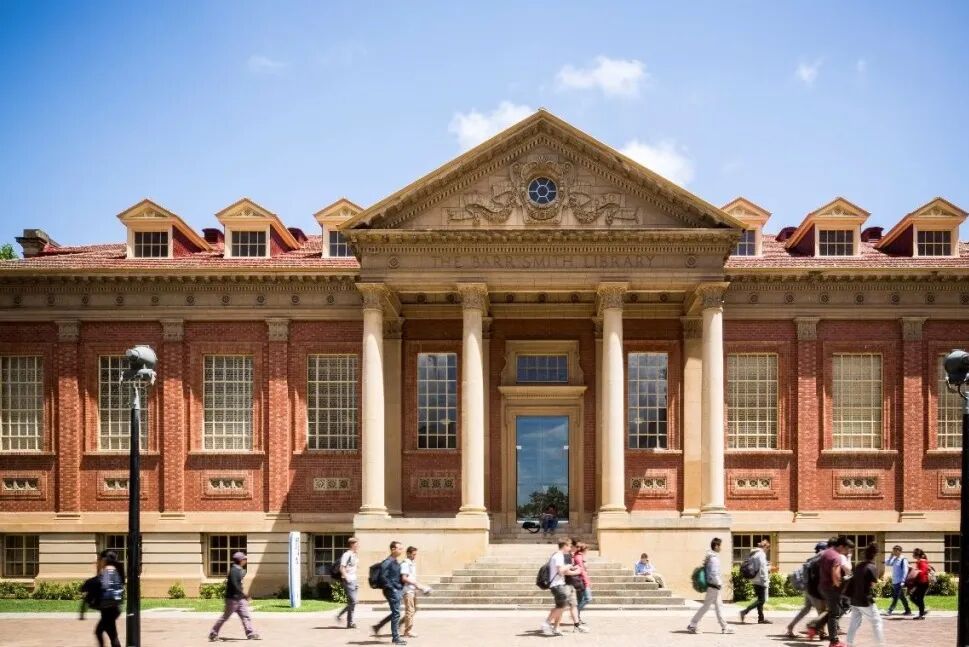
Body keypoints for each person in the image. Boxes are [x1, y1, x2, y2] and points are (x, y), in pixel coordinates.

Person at [810, 535, 854, 647]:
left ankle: (814, 627)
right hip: (831, 588)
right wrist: (841, 584)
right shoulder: (836, 557)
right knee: (834, 614)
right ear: (841, 546)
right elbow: (836, 575)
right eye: (847, 549)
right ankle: (834, 642)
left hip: (823, 586)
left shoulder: (826, 553)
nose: (847, 552)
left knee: (832, 612)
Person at [209, 551, 260, 642]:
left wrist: (242, 596)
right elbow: (235, 584)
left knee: (245, 616)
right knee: (225, 617)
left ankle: (250, 634)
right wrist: (245, 595)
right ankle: (213, 633)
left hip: (239, 599)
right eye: (244, 559)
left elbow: (238, 584)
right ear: (240, 560)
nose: (245, 561)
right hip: (232, 599)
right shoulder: (234, 571)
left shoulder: (238, 570)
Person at [540, 538, 587, 636]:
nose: (570, 548)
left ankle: (555, 628)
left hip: (560, 584)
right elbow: (561, 571)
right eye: (569, 546)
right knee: (561, 607)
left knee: (561, 606)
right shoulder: (559, 556)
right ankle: (546, 623)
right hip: (557, 585)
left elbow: (561, 570)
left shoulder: (559, 555)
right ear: (565, 546)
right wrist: (570, 567)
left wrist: (572, 569)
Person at [687, 537, 733, 635]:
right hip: (714, 586)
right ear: (716, 546)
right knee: (707, 607)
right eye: (720, 545)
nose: (721, 548)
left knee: (717, 607)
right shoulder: (714, 559)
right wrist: (719, 583)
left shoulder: (711, 557)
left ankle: (724, 627)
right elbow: (713, 573)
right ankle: (693, 624)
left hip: (713, 586)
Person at [786, 541, 830, 639]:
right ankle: (821, 633)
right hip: (814, 589)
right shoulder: (821, 559)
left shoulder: (812, 559)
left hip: (808, 587)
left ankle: (791, 626)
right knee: (821, 611)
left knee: (806, 608)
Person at [846, 543, 885, 647]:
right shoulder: (872, 567)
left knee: (854, 623)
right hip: (865, 600)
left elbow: (853, 581)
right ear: (875, 555)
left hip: (854, 599)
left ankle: (849, 644)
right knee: (877, 622)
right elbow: (873, 584)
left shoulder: (858, 566)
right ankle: (880, 645)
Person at [372, 541, 407, 645]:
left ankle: (378, 626)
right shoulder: (388, 562)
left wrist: (400, 588)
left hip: (396, 590)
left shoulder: (395, 561)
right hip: (391, 591)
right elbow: (383, 577)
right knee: (396, 613)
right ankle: (396, 638)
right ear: (393, 549)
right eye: (399, 548)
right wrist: (393, 589)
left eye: (401, 548)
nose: (401, 550)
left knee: (395, 613)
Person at [94, 549, 125, 647]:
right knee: (112, 635)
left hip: (108, 608)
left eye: (100, 559)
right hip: (114, 608)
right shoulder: (115, 569)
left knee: (100, 632)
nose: (98, 561)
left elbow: (104, 586)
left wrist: (99, 571)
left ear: (105, 559)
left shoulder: (107, 571)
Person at [400, 546, 431, 639]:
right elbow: (404, 578)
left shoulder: (411, 563)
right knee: (410, 610)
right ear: (408, 553)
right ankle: (407, 631)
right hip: (407, 590)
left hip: (412, 590)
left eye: (415, 554)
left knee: (413, 610)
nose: (415, 556)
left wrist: (418, 587)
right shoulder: (405, 564)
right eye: (413, 554)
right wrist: (417, 584)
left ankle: (402, 624)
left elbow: (411, 577)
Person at [739, 538, 771, 625]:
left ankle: (761, 618)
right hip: (760, 580)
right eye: (768, 549)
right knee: (762, 600)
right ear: (765, 547)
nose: (767, 551)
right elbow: (763, 569)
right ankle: (744, 611)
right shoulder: (761, 554)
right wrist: (765, 580)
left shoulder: (755, 553)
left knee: (760, 599)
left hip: (755, 579)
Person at [336, 537, 359, 628]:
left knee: (352, 603)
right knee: (353, 601)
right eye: (356, 544)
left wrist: (355, 580)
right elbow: (341, 568)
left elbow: (353, 568)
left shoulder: (354, 555)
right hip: (348, 580)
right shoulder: (346, 555)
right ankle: (340, 615)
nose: (358, 546)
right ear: (352, 544)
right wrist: (347, 578)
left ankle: (350, 623)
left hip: (354, 580)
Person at [883, 545, 911, 616]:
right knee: (901, 596)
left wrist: (903, 581)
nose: (894, 552)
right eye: (893, 550)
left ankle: (890, 610)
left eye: (895, 550)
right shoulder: (895, 559)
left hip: (900, 581)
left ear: (900, 551)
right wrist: (891, 556)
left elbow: (905, 571)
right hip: (895, 581)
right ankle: (908, 610)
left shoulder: (903, 559)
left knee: (895, 596)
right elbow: (887, 563)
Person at [572, 541, 592, 623]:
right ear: (583, 549)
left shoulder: (578, 557)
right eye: (586, 549)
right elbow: (582, 571)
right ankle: (575, 613)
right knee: (588, 598)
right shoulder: (578, 557)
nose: (587, 551)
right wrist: (586, 581)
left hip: (579, 581)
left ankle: (577, 619)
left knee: (580, 600)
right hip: (582, 581)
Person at [908, 548, 930, 620]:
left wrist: (915, 571)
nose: (912, 555)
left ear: (917, 555)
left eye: (914, 554)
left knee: (917, 598)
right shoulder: (920, 561)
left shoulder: (922, 562)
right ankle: (922, 612)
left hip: (923, 583)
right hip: (921, 583)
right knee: (915, 597)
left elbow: (922, 572)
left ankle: (922, 614)